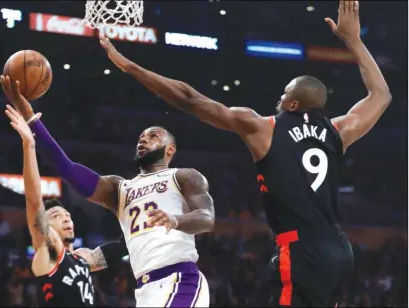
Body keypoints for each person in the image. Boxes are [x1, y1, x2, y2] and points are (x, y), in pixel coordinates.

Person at [97, 1, 391, 306]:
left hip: (302, 250)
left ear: (292, 104)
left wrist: (130, 66)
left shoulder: (265, 127)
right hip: (340, 249)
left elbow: (189, 98)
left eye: (283, 95)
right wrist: (353, 41)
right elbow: (381, 95)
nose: (278, 100)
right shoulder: (339, 130)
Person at [1, 87, 214, 307]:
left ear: (170, 150)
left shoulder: (183, 176)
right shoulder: (118, 189)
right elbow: (67, 169)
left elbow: (207, 218)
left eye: (153, 136)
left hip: (180, 278)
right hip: (145, 290)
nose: (143, 139)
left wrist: (175, 220)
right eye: (141, 136)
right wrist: (32, 121)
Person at [4, 105, 129, 306]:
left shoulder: (84, 259)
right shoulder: (49, 250)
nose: (65, 218)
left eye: (67, 215)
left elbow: (124, 246)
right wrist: (29, 145)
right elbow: (34, 202)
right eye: (55, 216)